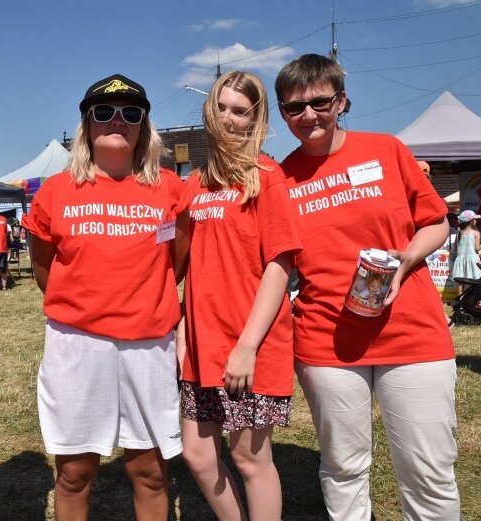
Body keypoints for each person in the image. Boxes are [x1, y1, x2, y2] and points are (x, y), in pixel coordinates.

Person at [275, 54, 459, 520]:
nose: (308, 116)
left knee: (428, 469)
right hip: (326, 341)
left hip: (412, 332)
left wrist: (408, 258)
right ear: (282, 114)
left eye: (320, 102)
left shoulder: (386, 150)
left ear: (342, 101)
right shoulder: (280, 178)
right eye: (294, 108)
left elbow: (435, 222)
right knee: (343, 468)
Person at [22, 73, 189, 521]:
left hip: (149, 345)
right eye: (104, 112)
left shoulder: (171, 188)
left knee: (151, 472)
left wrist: (144, 301)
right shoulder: (56, 191)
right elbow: (44, 268)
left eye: (131, 113)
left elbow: (177, 262)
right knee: (75, 473)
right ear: (86, 124)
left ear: (144, 126)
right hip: (78, 345)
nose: (118, 120)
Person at [177, 71, 301, 521]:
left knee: (250, 459)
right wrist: (182, 335)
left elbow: (280, 264)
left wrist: (246, 347)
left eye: (240, 111)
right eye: (222, 107)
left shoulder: (268, 176)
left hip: (251, 344)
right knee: (197, 455)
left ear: (254, 119)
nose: (228, 118)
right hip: (202, 346)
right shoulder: (194, 185)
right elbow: (188, 266)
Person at [452, 210, 481, 293]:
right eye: (475, 219)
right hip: (472, 260)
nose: (476, 221)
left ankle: (460, 301)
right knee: (474, 280)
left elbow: (455, 247)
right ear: (471, 221)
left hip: (460, 260)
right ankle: (473, 300)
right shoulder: (476, 233)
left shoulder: (459, 233)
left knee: (461, 282)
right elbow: (477, 248)